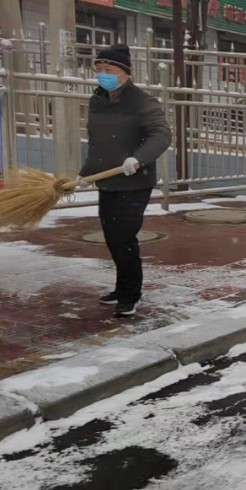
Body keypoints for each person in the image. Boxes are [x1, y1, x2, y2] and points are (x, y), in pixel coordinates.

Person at [77, 43, 171, 318]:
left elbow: (161, 135)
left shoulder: (142, 101)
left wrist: (138, 158)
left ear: (125, 73)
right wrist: (85, 173)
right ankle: (121, 288)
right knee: (112, 237)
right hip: (107, 181)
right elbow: (98, 144)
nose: (103, 74)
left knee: (123, 237)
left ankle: (131, 294)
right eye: (99, 69)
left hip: (134, 181)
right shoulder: (97, 100)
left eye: (109, 69)